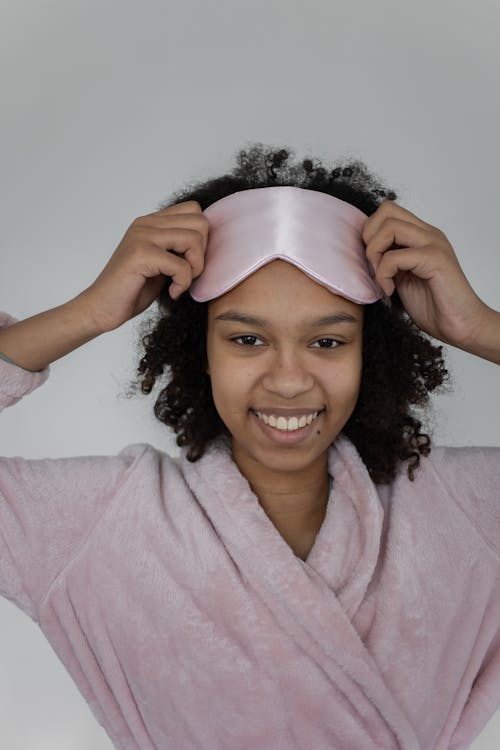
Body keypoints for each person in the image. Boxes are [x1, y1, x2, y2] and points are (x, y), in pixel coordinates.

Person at [0, 143, 499, 750]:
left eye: (327, 343)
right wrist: (88, 312)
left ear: (372, 353)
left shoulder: (466, 513)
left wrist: (477, 326)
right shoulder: (98, 522)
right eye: (246, 339)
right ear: (199, 350)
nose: (288, 380)